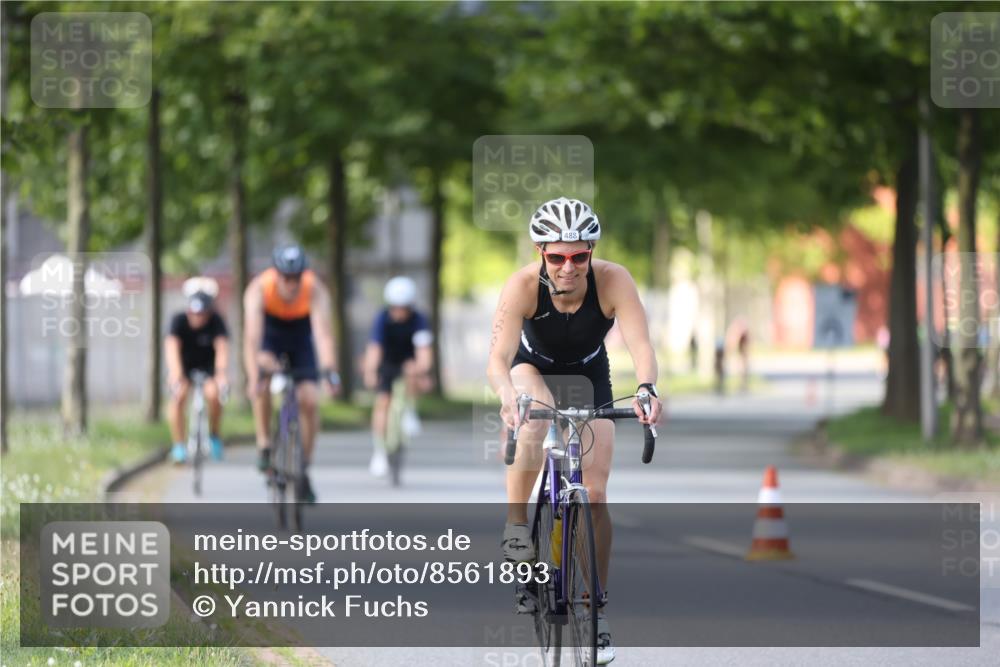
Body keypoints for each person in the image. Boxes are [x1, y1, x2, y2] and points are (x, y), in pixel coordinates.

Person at [486, 197, 663, 665]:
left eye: (579, 256)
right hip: (532, 369)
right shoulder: (523, 285)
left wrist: (646, 387)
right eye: (557, 256)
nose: (568, 266)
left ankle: (594, 608)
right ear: (540, 252)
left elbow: (641, 344)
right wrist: (507, 395)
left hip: (589, 375)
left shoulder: (614, 280)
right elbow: (498, 357)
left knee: (597, 494)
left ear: (591, 251)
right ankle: (518, 526)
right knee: (535, 411)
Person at [243, 244, 341, 503]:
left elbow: (323, 334)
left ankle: (304, 467)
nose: (291, 283)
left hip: (300, 338)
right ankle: (264, 444)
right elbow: (252, 338)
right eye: (286, 277)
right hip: (270, 337)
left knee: (309, 400)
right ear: (276, 274)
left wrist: (330, 370)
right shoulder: (258, 289)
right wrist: (253, 375)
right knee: (262, 383)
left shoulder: (314, 288)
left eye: (296, 277)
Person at [362, 276, 434, 477]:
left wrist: (423, 371)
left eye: (404, 307)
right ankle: (379, 451)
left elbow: (424, 350)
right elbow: (375, 348)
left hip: (408, 363)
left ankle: (410, 410)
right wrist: (370, 371)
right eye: (396, 307)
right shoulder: (382, 319)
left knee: (412, 370)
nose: (400, 312)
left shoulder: (419, 320)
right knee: (383, 402)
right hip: (387, 362)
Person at [165, 277, 229, 463]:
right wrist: (175, 373)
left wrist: (221, 374)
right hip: (184, 368)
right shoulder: (178, 321)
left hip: (208, 368)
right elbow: (171, 348)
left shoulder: (217, 321)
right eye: (195, 313)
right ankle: (178, 445)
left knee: (213, 395)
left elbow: (222, 348)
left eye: (202, 313)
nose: (198, 317)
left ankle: (214, 435)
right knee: (178, 397)